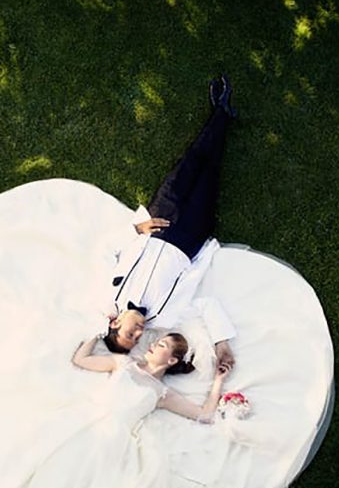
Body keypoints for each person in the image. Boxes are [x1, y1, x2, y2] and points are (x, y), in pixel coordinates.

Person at [101, 74, 237, 371]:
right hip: (188, 239)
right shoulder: (164, 317)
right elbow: (203, 306)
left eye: (128, 334)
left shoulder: (111, 295)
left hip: (158, 223)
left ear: (115, 323)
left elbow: (104, 252)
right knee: (209, 176)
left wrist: (137, 229)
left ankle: (220, 111)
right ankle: (223, 115)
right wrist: (221, 342)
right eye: (136, 340)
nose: (137, 334)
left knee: (188, 166)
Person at [73, 331, 231, 422]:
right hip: (87, 417)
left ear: (172, 360)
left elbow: (205, 415)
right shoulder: (123, 363)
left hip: (115, 436)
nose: (152, 345)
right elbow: (80, 360)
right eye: (156, 342)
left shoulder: (162, 393)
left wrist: (218, 381)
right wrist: (98, 331)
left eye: (161, 345)